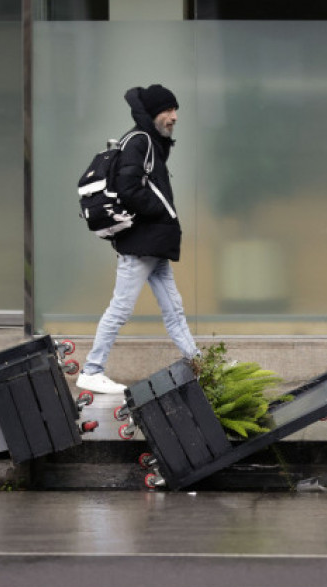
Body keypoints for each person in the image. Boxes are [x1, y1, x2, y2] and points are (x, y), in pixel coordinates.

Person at [76, 84, 199, 394]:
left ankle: (198, 362)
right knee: (120, 309)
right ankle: (91, 370)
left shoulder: (149, 142)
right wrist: (164, 212)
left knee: (174, 308)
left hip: (151, 245)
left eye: (175, 111)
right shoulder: (140, 141)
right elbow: (129, 189)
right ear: (154, 113)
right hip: (141, 244)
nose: (174, 117)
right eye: (169, 110)